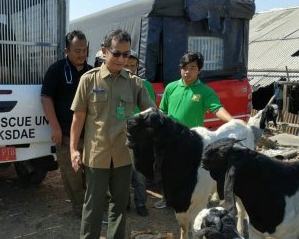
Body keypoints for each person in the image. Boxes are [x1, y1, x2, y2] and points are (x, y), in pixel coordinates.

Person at [70, 29, 155, 238]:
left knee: (119, 207)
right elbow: (78, 117)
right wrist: (73, 149)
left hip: (124, 156)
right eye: (116, 53)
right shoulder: (89, 80)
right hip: (97, 155)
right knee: (93, 207)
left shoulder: (134, 83)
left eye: (126, 55)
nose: (121, 59)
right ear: (104, 51)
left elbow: (152, 113)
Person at [154, 51, 234, 209]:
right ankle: (166, 199)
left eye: (192, 67)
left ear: (199, 71)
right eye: (184, 67)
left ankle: (189, 200)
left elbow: (217, 108)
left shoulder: (205, 91)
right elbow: (162, 111)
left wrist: (233, 121)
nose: (187, 71)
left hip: (192, 140)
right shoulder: (171, 88)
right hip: (170, 139)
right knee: (168, 170)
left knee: (189, 172)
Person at [41, 30, 92, 217]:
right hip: (66, 135)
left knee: (93, 176)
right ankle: (79, 210)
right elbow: (46, 99)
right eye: (77, 50)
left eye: (84, 50)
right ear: (66, 50)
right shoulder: (56, 70)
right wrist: (54, 126)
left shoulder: (92, 72)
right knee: (72, 176)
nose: (81, 54)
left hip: (91, 136)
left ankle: (93, 209)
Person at [123, 50, 155, 216]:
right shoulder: (118, 82)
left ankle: (141, 204)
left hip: (141, 138)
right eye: (127, 64)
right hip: (123, 136)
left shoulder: (144, 84)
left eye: (133, 65)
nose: (129, 68)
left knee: (140, 174)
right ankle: (125, 202)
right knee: (123, 174)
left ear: (137, 67)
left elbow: (151, 110)